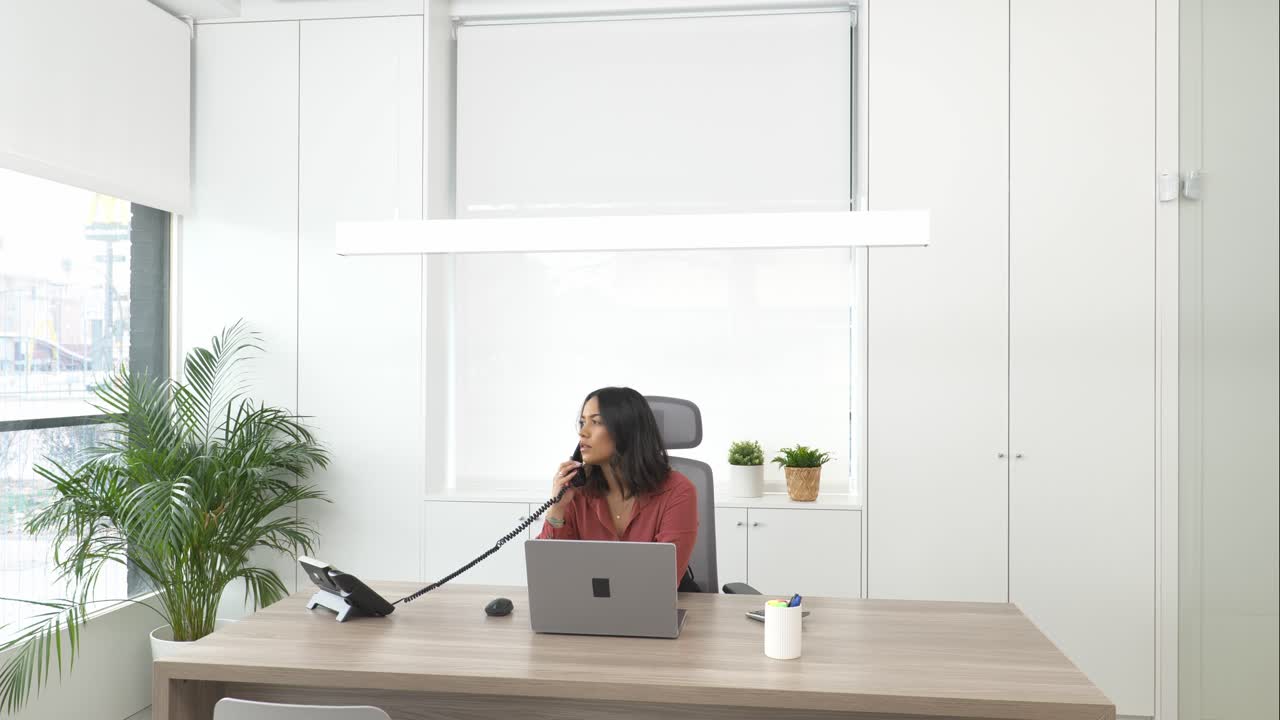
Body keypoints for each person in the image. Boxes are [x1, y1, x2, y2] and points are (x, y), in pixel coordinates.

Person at [539, 387, 699, 588]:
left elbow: (660, 582)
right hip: (590, 608)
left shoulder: (678, 491)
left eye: (595, 422)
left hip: (656, 609)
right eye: (582, 422)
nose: (582, 432)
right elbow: (549, 573)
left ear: (626, 429)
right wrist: (557, 508)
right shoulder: (575, 490)